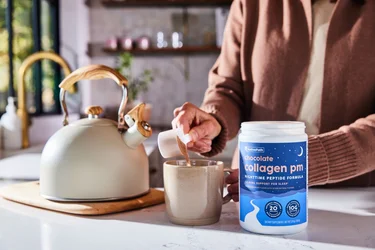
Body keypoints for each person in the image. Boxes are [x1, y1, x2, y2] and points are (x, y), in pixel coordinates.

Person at [172, 0, 375, 202]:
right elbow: (229, 88)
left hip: (353, 197)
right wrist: (214, 119)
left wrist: (302, 162)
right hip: (256, 193)